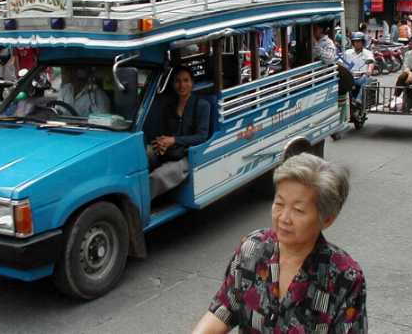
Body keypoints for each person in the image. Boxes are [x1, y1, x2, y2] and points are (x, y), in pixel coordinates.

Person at [192, 153, 367, 334]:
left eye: (298, 210)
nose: (283, 218)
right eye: (279, 203)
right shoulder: (252, 249)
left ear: (327, 219)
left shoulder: (345, 277)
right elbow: (224, 309)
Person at [148, 66, 210, 199]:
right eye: (178, 81)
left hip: (188, 156)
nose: (182, 85)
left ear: (192, 83)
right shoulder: (170, 106)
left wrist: (174, 141)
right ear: (173, 84)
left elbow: (202, 137)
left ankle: (140, 212)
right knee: (144, 154)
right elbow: (164, 132)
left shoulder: (202, 105)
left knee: (156, 177)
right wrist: (162, 144)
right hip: (170, 151)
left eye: (186, 80)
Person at [343, 32, 374, 103]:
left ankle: (358, 100)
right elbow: (341, 62)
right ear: (352, 43)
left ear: (363, 42)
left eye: (359, 41)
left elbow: (371, 62)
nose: (357, 43)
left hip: (361, 77)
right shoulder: (347, 53)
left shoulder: (367, 53)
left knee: (367, 79)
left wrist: (369, 70)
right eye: (355, 41)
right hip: (350, 77)